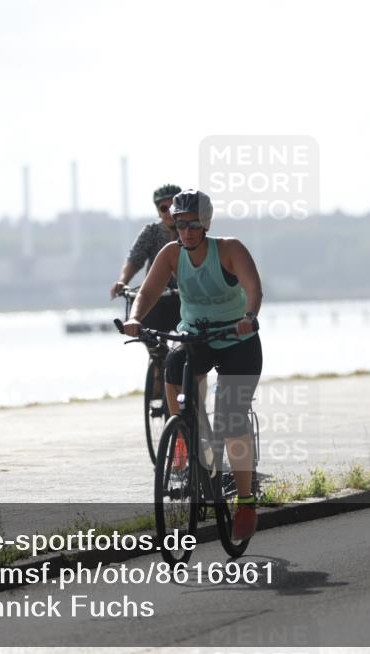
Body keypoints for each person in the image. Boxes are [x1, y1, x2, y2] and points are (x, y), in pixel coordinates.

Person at [121, 189, 263, 541]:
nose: (185, 231)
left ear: (206, 224)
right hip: (197, 336)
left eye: (193, 225)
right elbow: (148, 292)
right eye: (180, 224)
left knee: (231, 418)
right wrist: (136, 318)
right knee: (171, 368)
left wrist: (249, 316)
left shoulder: (229, 250)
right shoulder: (171, 254)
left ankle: (245, 502)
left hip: (237, 339)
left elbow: (253, 287)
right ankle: (184, 434)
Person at [110, 184, 183, 334]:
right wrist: (123, 281)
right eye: (164, 209)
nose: (170, 213)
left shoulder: (191, 231)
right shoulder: (151, 232)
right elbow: (135, 258)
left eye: (174, 207)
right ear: (158, 212)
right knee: (151, 338)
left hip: (186, 297)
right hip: (157, 296)